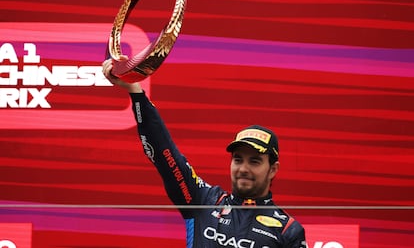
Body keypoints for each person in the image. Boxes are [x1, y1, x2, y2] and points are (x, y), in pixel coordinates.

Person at [102, 59, 307, 248]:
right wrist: (135, 91)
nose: (243, 168)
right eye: (238, 159)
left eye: (254, 161)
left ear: (273, 169)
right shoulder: (204, 200)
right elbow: (166, 154)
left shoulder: (288, 231)